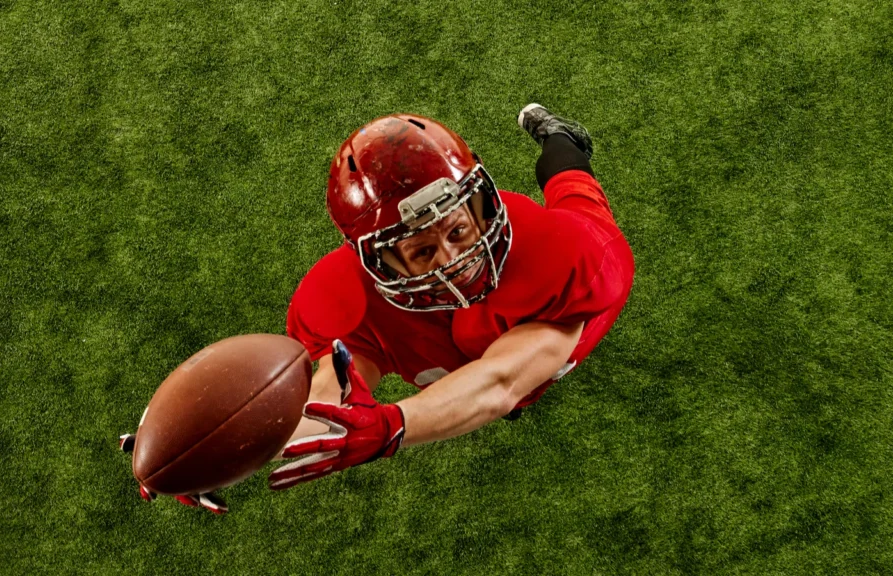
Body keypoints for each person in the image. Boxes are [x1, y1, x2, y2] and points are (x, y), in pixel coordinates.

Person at [267, 104, 635, 491]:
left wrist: (392, 426)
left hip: (571, 245)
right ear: (380, 262)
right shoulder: (353, 294)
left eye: (457, 231)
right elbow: (328, 400)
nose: (454, 261)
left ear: (481, 206)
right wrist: (208, 455)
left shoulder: (562, 253)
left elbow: (500, 381)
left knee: (571, 184)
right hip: (480, 363)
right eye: (423, 251)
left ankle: (560, 135)